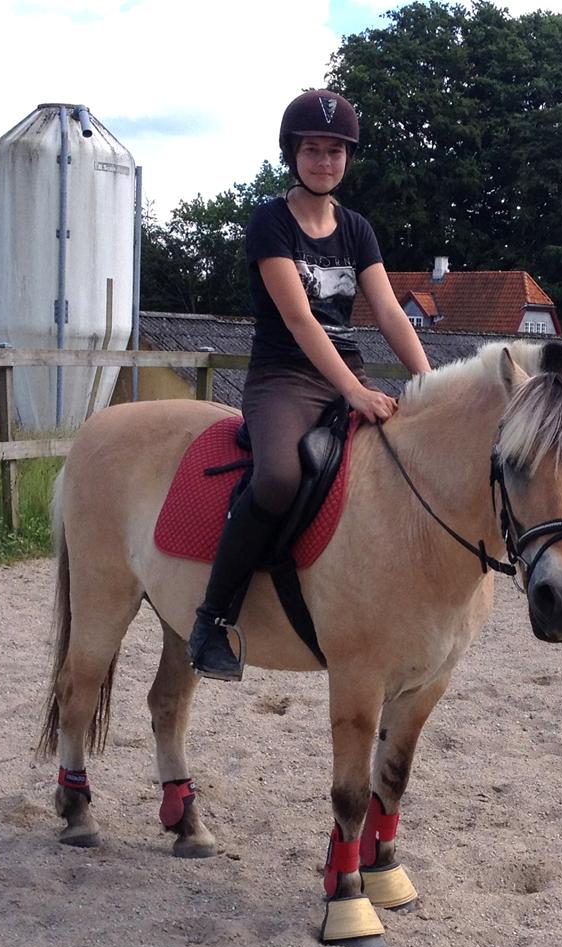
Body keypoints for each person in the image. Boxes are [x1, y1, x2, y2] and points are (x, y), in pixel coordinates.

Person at [187, 88, 433, 681]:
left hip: (347, 372)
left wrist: (429, 382)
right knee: (278, 477)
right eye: (313, 150)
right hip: (283, 378)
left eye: (335, 151)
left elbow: (391, 314)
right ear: (292, 154)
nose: (325, 161)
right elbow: (298, 319)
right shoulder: (270, 223)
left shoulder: (358, 230)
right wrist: (352, 391)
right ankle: (213, 616)